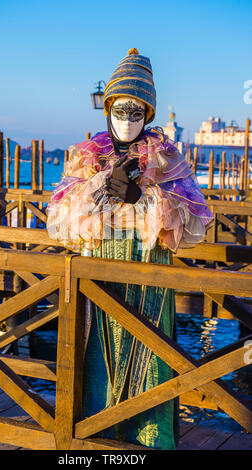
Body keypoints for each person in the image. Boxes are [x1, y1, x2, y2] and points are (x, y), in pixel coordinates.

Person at [47, 48, 214, 449]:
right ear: (106, 110)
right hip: (99, 282)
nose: (126, 121)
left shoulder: (167, 157)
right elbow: (60, 222)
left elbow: (196, 224)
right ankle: (96, 446)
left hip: (150, 283)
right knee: (97, 368)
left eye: (135, 113)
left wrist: (145, 196)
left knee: (150, 368)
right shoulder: (86, 158)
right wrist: (101, 186)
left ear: (148, 115)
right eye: (119, 111)